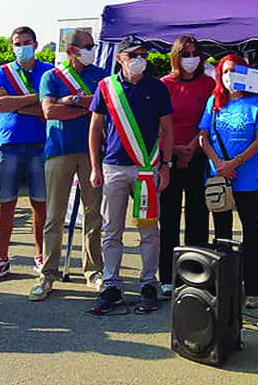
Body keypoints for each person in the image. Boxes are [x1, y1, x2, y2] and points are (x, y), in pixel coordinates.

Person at [89, 36, 174, 314]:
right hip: (113, 166)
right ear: (120, 58)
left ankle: (148, 282)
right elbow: (95, 128)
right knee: (111, 229)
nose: (140, 58)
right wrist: (94, 166)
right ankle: (111, 284)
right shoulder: (106, 87)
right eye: (134, 54)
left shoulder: (157, 87)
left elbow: (168, 129)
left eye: (143, 54)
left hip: (147, 168)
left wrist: (166, 164)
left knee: (149, 231)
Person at [29, 29, 107, 301]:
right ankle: (48, 273)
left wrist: (72, 100)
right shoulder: (52, 76)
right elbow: (50, 111)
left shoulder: (100, 75)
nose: (92, 49)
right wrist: (87, 106)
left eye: (93, 45)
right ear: (72, 49)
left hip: (92, 152)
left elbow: (104, 107)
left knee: (93, 214)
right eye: (87, 46)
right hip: (58, 150)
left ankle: (94, 270)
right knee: (54, 215)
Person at [198, 54, 258, 309]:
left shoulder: (257, 103)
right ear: (220, 74)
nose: (231, 75)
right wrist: (218, 163)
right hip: (219, 177)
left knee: (251, 231)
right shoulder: (214, 102)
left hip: (246, 177)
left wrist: (235, 162)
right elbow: (203, 137)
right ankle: (225, 287)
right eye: (227, 70)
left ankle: (254, 289)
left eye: (237, 70)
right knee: (221, 233)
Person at [0, 26, 53, 283]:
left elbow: (49, 110)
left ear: (35, 44)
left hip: (40, 144)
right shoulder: (3, 71)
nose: (21, 46)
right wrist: (34, 100)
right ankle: (1, 258)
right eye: (16, 43)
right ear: (11, 46)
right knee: (5, 203)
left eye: (26, 42)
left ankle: (40, 254)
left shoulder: (48, 71)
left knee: (40, 203)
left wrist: (16, 102)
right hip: (8, 143)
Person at [159, 35, 213, 298]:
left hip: (198, 155)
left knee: (197, 217)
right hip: (168, 158)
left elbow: (211, 119)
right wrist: (173, 151)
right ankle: (167, 276)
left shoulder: (208, 83)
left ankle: (195, 272)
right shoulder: (164, 85)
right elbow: (156, 123)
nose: (191, 58)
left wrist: (192, 147)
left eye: (195, 53)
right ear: (175, 56)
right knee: (168, 218)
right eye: (185, 53)